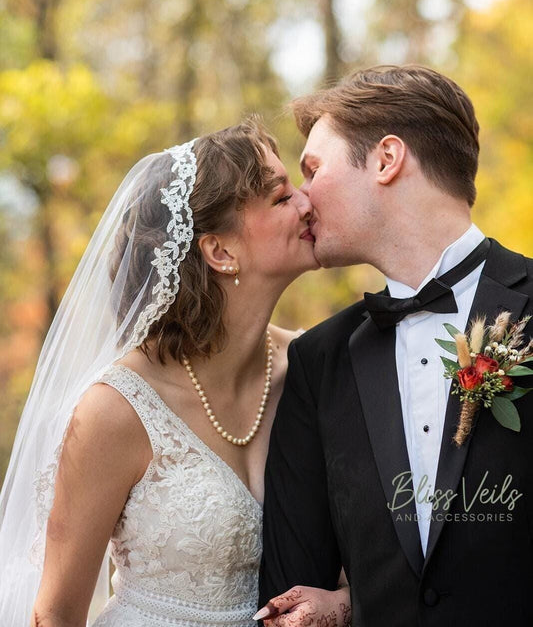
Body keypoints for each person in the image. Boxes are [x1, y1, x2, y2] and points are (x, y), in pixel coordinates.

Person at [0, 119, 345, 627]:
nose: (307, 203)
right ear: (220, 252)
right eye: (280, 197)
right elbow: (55, 615)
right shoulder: (116, 409)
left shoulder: (314, 370)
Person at [258, 66, 533, 627]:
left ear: (386, 159)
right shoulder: (318, 362)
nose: (303, 200)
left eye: (313, 169)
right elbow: (288, 592)